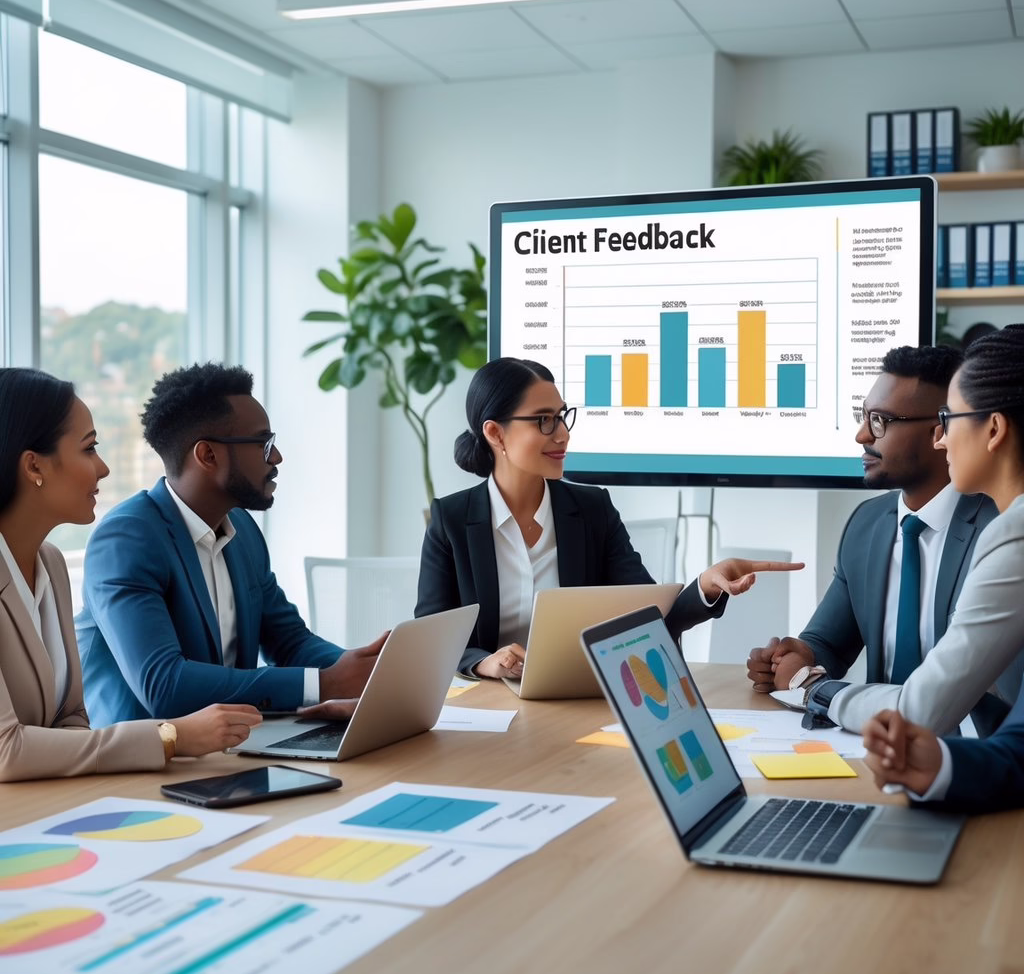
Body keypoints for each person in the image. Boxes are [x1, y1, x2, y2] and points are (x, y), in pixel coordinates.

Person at [415, 357, 802, 678]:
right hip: (484, 710)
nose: (563, 434)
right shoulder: (450, 521)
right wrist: (484, 663)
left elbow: (649, 616)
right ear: (496, 433)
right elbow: (432, 641)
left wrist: (706, 586)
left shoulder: (592, 509)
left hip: (578, 702)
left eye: (563, 417)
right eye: (544, 420)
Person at [76, 363, 384, 725]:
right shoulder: (127, 538)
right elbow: (164, 686)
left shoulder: (242, 529)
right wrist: (323, 683)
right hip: (144, 764)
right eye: (263, 443)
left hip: (232, 749)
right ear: (207, 456)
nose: (276, 457)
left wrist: (371, 671)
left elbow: (289, 642)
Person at [0, 368, 262, 782]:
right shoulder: (129, 534)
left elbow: (70, 718)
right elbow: (6, 751)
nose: (103, 469)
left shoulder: (49, 562)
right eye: (89, 449)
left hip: (51, 801)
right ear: (35, 465)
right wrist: (170, 737)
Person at [746, 344, 1010, 736]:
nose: (861, 435)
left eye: (881, 420)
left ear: (940, 428)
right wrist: (796, 657)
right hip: (871, 743)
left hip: (971, 758)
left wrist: (812, 687)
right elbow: (828, 643)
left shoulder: (1001, 530)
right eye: (863, 416)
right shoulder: (868, 523)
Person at [862, 325, 1024, 810]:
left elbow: (919, 710)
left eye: (948, 419)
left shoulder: (1013, 533)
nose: (941, 438)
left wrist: (819, 692)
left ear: (993, 429)